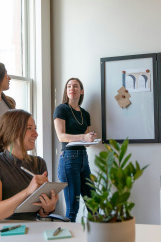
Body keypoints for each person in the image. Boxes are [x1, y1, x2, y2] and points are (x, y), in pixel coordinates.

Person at [0, 109, 58, 223]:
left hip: (32, 229)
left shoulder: (39, 163)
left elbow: (39, 211)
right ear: (12, 131)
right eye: (29, 128)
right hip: (4, 231)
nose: (36, 134)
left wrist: (47, 208)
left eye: (35, 128)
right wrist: (27, 192)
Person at [53, 77, 97, 222]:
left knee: (94, 205)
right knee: (73, 208)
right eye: (69, 86)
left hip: (83, 158)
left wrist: (90, 138)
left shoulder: (85, 114)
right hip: (69, 159)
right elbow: (61, 136)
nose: (72, 89)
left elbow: (85, 142)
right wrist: (83, 137)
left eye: (76, 86)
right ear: (66, 91)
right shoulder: (61, 109)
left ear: (81, 91)